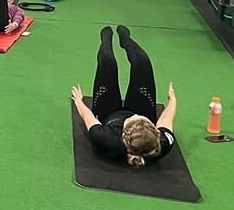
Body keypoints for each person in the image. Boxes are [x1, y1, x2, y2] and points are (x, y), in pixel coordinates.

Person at [72, 26, 177, 167]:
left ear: (123, 135)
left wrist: (79, 101)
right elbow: (166, 120)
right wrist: (172, 100)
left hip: (109, 114)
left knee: (108, 61)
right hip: (142, 108)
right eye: (143, 121)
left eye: (133, 121)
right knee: (142, 61)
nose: (135, 116)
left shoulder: (105, 139)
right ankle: (125, 39)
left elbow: (88, 117)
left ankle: (106, 39)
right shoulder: (163, 143)